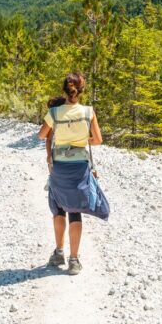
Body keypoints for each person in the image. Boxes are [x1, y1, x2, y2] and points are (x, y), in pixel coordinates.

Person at [37, 72, 107, 276]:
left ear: (64, 90)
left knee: (58, 207)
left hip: (60, 166)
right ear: (81, 89)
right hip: (80, 165)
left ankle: (59, 252)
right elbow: (98, 140)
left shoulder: (56, 113)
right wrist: (81, 141)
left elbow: (42, 135)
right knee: (75, 209)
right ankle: (74, 260)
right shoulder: (88, 112)